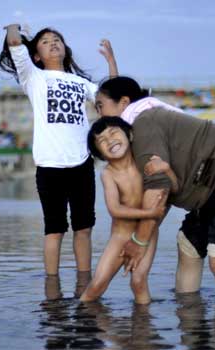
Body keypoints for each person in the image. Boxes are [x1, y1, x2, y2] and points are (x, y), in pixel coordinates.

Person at [94, 76, 215, 300]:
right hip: (210, 186)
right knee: (188, 245)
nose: (99, 115)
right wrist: (140, 237)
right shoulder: (145, 122)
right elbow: (164, 194)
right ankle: (191, 323)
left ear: (123, 102)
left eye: (100, 106)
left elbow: (158, 188)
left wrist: (139, 242)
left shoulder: (144, 123)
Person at [0, 23, 119, 276]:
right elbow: (14, 43)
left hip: (82, 162)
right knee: (55, 230)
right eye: (46, 41)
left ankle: (83, 285)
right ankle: (51, 289)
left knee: (84, 228)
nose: (53, 43)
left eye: (57, 40)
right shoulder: (33, 77)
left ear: (65, 48)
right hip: (49, 164)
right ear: (36, 56)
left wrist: (111, 61)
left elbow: (111, 100)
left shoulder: (80, 82)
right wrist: (14, 27)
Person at [80, 117, 172, 304]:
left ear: (129, 135)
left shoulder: (145, 164)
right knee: (97, 285)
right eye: (102, 141)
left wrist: (167, 169)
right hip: (119, 237)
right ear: (100, 154)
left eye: (113, 133)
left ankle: (142, 328)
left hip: (146, 235)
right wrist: (150, 214)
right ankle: (83, 328)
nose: (110, 140)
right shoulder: (108, 174)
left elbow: (172, 189)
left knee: (138, 282)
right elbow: (115, 209)